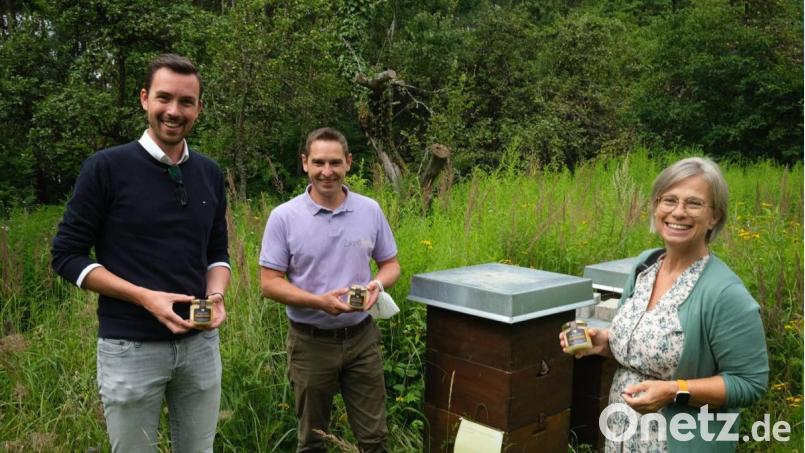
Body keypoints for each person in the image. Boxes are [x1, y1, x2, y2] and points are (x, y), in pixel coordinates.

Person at [51, 54, 230, 452]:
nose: (174, 111)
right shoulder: (105, 168)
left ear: (199, 108)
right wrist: (146, 298)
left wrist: (216, 295)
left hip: (200, 345)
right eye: (164, 98)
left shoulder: (210, 173)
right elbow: (67, 255)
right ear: (144, 99)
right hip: (130, 348)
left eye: (186, 102)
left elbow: (217, 253)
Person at [561, 157, 768, 452]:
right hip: (622, 435)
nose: (678, 212)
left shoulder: (725, 293)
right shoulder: (646, 265)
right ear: (656, 206)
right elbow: (645, 348)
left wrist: (674, 391)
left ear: (714, 217)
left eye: (694, 203)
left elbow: (750, 383)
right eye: (669, 200)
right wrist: (604, 341)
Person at [259, 127, 401, 453]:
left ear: (348, 163)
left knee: (375, 438)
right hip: (311, 341)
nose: (327, 172)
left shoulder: (370, 210)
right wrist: (318, 302)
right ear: (305, 163)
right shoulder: (284, 217)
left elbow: (391, 264)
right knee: (313, 440)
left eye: (335, 162)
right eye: (319, 162)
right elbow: (269, 283)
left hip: (362, 338)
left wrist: (378, 284)